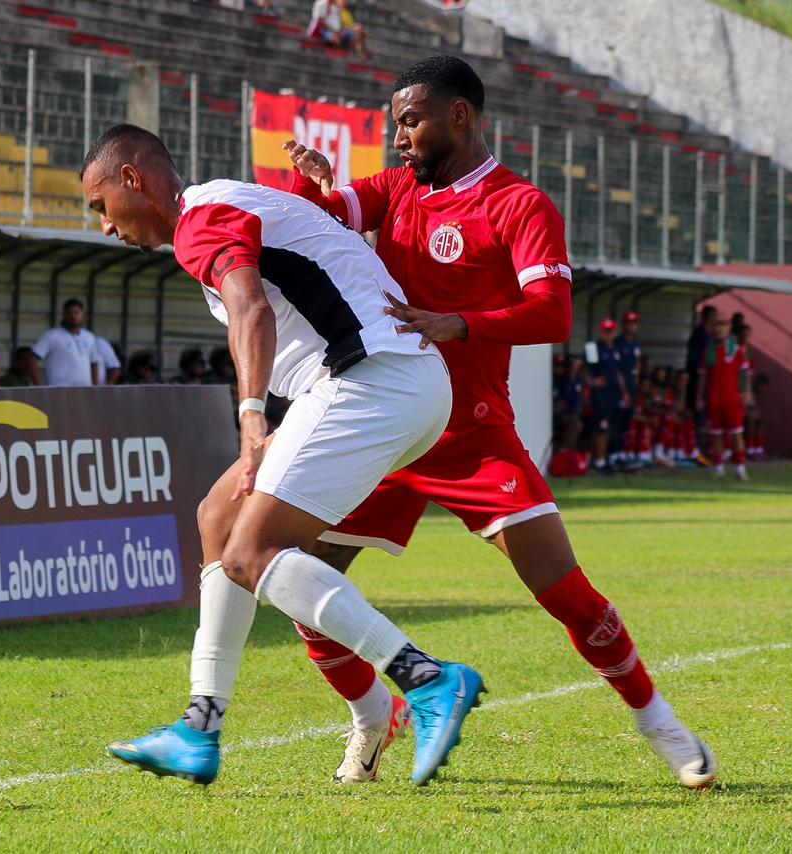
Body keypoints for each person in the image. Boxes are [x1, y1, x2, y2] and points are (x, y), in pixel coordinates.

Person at [282, 54, 717, 788]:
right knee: (299, 581)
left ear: (460, 116)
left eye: (411, 122)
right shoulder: (396, 191)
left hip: (470, 432)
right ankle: (370, 718)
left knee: (567, 594)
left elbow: (552, 312)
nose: (399, 139)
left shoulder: (521, 205)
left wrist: (461, 323)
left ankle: (660, 722)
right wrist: (309, 178)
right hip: (384, 425)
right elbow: (323, 216)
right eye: (395, 125)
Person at [81, 123, 483, 787]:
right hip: (388, 380)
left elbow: (252, 314)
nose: (104, 226)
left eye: (101, 207)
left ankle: (428, 680)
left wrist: (251, 418)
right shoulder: (223, 203)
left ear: (133, 179)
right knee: (220, 519)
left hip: (376, 377)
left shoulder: (198, 219)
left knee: (252, 552)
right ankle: (200, 727)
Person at [697, 313, 751, 481]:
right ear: (712, 329)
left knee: (736, 434)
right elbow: (703, 376)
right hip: (714, 400)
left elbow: (745, 373)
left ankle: (741, 468)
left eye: (723, 325)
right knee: (716, 435)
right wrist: (699, 397)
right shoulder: (709, 352)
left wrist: (746, 392)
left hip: (732, 399)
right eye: (717, 325)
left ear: (729, 329)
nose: (720, 328)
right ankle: (719, 467)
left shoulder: (736, 350)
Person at [588, 318, 630, 474]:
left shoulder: (616, 349)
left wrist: (624, 392)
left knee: (611, 427)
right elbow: (583, 367)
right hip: (600, 395)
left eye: (611, 332)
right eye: (606, 332)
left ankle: (606, 458)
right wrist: (593, 381)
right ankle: (598, 460)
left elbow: (619, 373)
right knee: (600, 427)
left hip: (614, 394)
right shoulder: (593, 348)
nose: (609, 335)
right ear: (601, 332)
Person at [28, 299, 102, 387]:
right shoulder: (52, 335)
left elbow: (94, 363)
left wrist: (96, 387)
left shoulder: (89, 337)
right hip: (59, 390)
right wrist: (40, 386)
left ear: (83, 315)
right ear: (64, 315)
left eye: (76, 312)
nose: (73, 316)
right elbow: (32, 359)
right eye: (69, 312)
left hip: (85, 390)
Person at [685, 304, 717, 463]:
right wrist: (698, 392)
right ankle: (697, 453)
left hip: (708, 386)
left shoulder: (711, 338)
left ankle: (707, 452)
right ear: (707, 317)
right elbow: (696, 365)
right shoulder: (699, 336)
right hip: (698, 384)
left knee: (706, 420)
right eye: (714, 316)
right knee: (698, 418)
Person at [614, 311, 643, 468]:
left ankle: (623, 453)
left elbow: (637, 363)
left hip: (631, 387)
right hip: (621, 389)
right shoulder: (619, 343)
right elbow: (617, 370)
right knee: (618, 421)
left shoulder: (635, 343)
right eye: (629, 323)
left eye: (634, 323)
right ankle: (614, 454)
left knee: (627, 421)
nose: (632, 326)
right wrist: (624, 391)